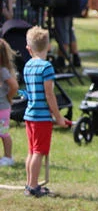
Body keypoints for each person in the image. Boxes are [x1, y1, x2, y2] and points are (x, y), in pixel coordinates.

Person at [22, 27, 72, 197]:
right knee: (39, 152)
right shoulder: (46, 67)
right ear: (49, 46)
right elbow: (49, 94)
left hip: (29, 115)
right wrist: (58, 117)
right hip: (41, 117)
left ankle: (29, 183)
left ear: (29, 48)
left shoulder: (28, 65)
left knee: (31, 151)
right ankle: (34, 187)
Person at [0, 39, 16, 166]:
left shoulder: (2, 71)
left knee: (3, 133)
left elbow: (14, 86)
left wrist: (9, 98)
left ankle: (8, 157)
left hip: (2, 107)